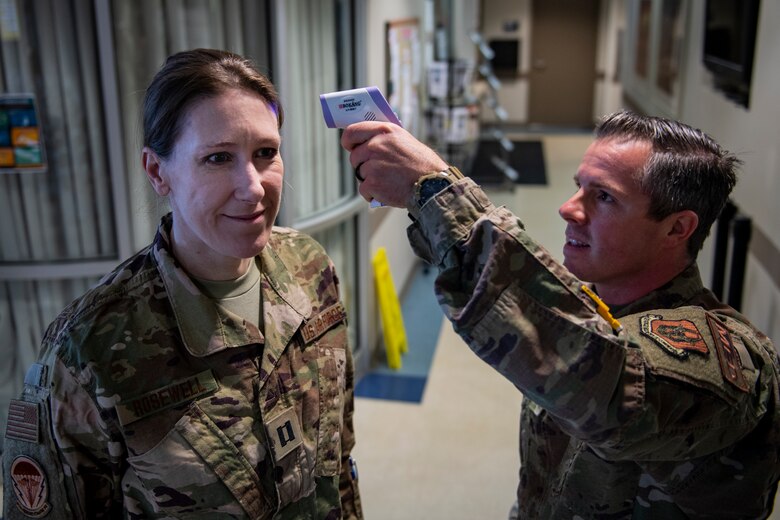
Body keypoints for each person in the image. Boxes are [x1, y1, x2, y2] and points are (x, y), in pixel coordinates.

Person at [343, 111, 780, 519]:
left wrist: (435, 191)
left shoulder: (731, 363)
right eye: (579, 186)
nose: (568, 208)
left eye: (604, 197)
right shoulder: (593, 308)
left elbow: (605, 378)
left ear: (677, 228)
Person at [2, 48, 362, 519]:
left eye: (265, 153)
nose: (253, 186)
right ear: (158, 171)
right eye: (217, 158)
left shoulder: (310, 269)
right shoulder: (90, 349)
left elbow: (339, 468)